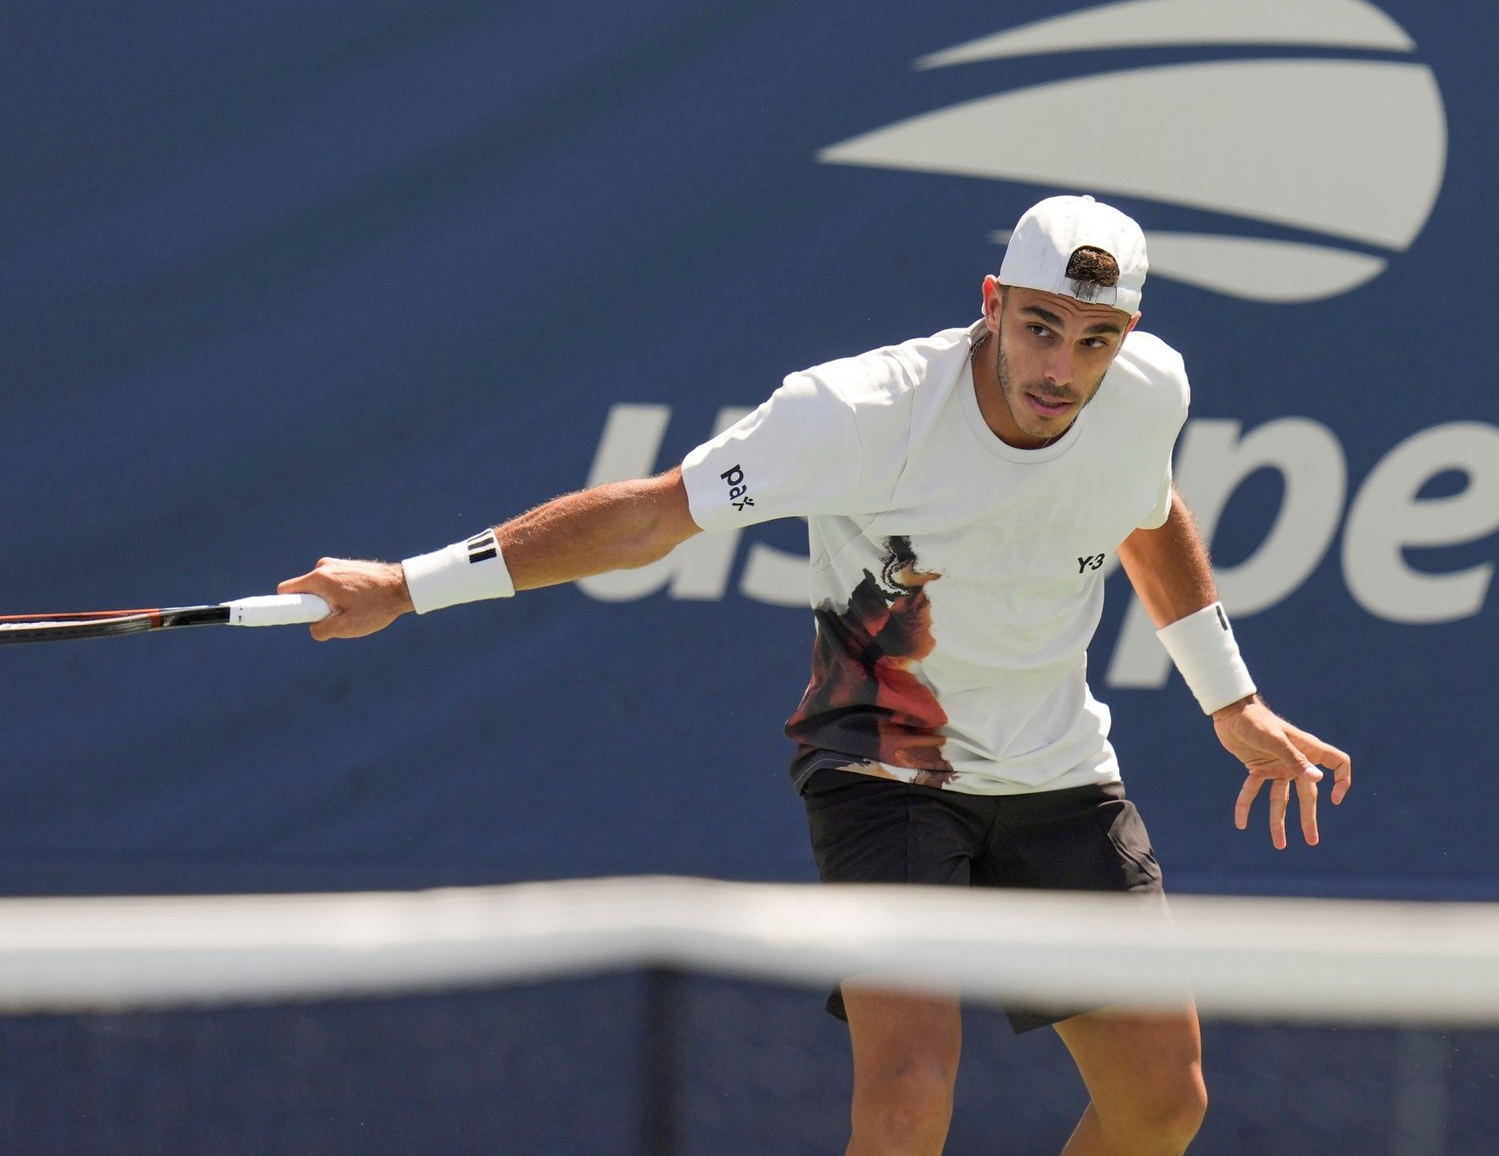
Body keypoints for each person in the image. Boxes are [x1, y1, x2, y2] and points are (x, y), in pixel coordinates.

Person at [280, 195, 1352, 1155]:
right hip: (887, 767)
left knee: (1163, 1107)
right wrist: (404, 584)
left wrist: (1231, 696)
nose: (1061, 369)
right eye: (1037, 326)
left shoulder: (1145, 394)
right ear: (990, 300)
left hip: (1059, 773)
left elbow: (1146, 512)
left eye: (1095, 338)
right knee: (905, 1100)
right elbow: (652, 516)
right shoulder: (855, 413)